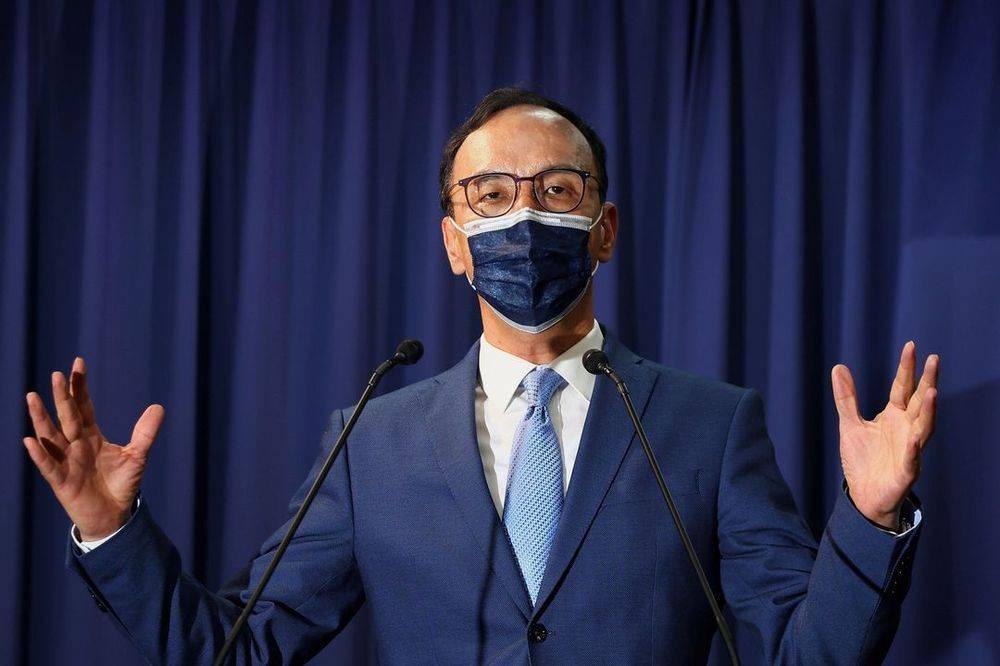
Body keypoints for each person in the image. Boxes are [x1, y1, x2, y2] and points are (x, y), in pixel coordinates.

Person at [22, 88, 938, 664]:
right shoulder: (370, 440)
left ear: (605, 229)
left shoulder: (710, 424)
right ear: (455, 243)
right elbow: (240, 649)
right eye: (490, 196)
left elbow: (803, 656)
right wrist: (109, 530)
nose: (523, 215)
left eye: (556, 191)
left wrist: (871, 519)